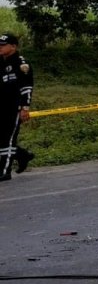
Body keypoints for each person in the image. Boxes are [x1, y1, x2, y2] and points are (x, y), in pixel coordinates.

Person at [0, 34, 35, 181]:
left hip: (14, 107)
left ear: (13, 46)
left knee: (7, 139)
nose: (0, 47)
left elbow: (26, 88)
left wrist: (25, 108)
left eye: (3, 45)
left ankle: (4, 171)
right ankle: (22, 155)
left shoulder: (22, 65)